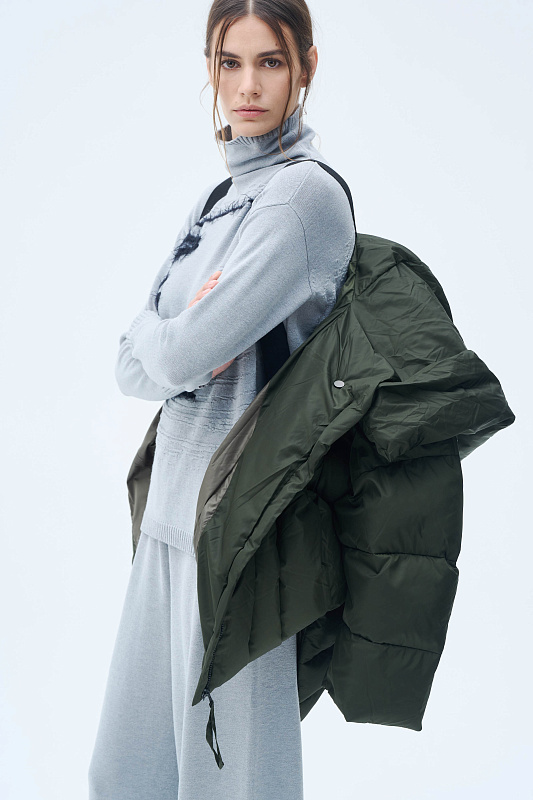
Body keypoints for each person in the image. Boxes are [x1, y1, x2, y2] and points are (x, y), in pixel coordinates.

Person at [87, 1, 355, 798]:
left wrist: (170, 334)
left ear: (306, 66)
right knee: (124, 777)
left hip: (241, 539)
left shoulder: (301, 199)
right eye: (229, 63)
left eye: (269, 62)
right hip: (166, 525)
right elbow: (132, 365)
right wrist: (171, 335)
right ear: (209, 68)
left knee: (234, 787)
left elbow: (175, 353)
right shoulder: (217, 201)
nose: (246, 87)